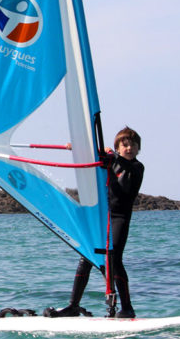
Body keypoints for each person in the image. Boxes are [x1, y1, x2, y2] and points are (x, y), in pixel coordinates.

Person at [56, 127, 144, 319]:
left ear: (138, 149)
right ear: (119, 147)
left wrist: (110, 156)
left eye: (133, 145)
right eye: (125, 145)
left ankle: (127, 307)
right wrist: (78, 149)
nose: (129, 148)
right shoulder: (111, 161)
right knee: (86, 257)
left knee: (115, 260)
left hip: (119, 218)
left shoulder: (137, 167)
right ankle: (73, 306)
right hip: (100, 217)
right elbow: (95, 157)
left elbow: (125, 182)